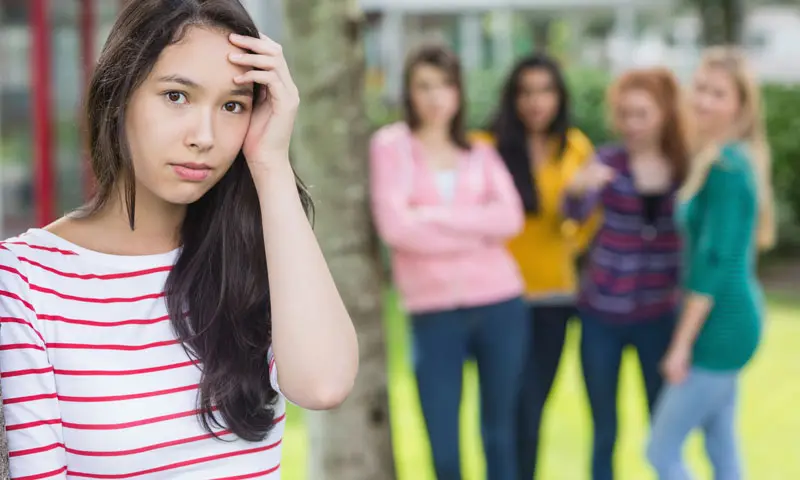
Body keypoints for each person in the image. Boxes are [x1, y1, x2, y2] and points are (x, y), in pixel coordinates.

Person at [0, 1, 358, 478]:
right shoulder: (25, 282)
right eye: (176, 96)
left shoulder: (255, 255)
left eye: (233, 106)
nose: (205, 136)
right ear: (118, 94)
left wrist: (270, 164)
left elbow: (324, 385)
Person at [369, 44, 528, 480]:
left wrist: (432, 217)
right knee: (443, 449)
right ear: (409, 93)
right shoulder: (391, 147)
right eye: (424, 86)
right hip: (434, 313)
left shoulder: (480, 151)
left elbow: (510, 218)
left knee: (500, 437)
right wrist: (476, 228)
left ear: (458, 92)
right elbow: (396, 228)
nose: (436, 96)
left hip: (500, 304)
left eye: (445, 85)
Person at [647, 47, 775, 480]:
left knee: (661, 453)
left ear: (739, 104)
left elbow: (714, 264)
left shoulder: (726, 168)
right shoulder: (720, 157)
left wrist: (682, 343)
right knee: (720, 445)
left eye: (717, 93)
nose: (703, 100)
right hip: (732, 318)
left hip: (722, 326)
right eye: (699, 88)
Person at [563, 67, 689, 480]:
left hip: (659, 317)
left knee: (663, 428)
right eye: (624, 114)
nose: (631, 124)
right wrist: (579, 188)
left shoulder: (685, 166)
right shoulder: (607, 161)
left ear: (665, 113)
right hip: (602, 314)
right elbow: (574, 214)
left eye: (642, 113)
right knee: (604, 429)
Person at [478, 53, 598, 480]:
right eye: (526, 92)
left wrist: (574, 220)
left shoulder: (576, 147)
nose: (536, 102)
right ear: (513, 98)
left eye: (545, 91)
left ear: (559, 97)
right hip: (497, 299)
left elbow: (587, 226)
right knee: (501, 414)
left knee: (531, 411)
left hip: (553, 299)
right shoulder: (485, 147)